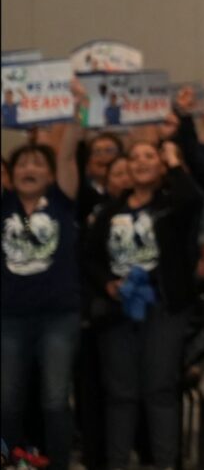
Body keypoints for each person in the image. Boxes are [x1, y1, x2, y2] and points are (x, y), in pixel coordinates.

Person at [83, 139, 203, 470]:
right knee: (120, 394)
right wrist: (107, 282)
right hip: (119, 310)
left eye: (149, 156)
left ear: (161, 165)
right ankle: (118, 463)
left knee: (160, 389)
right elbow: (90, 257)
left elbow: (193, 199)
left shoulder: (170, 207)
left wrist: (173, 159)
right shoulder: (110, 211)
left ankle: (165, 463)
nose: (140, 162)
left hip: (164, 308)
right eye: (134, 157)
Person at [0, 113, 82, 464]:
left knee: (54, 399)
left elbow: (67, 154)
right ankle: (13, 463)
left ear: (50, 175)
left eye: (37, 163)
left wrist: (77, 112)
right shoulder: (4, 205)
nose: (29, 169)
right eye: (21, 164)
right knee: (7, 400)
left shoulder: (61, 201)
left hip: (58, 317)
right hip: (10, 318)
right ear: (11, 175)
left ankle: (59, 464)